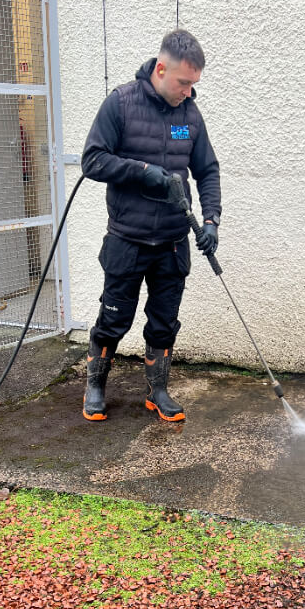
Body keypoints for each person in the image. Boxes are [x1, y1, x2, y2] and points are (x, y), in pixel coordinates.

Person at [80, 29, 221, 423]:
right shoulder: (121, 104)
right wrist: (144, 172)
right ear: (161, 69)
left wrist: (211, 220)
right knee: (114, 318)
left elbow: (208, 171)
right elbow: (92, 161)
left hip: (173, 243)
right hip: (127, 239)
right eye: (183, 83)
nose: (189, 92)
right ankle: (95, 386)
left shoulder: (189, 115)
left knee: (164, 322)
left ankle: (157, 390)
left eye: (194, 85)